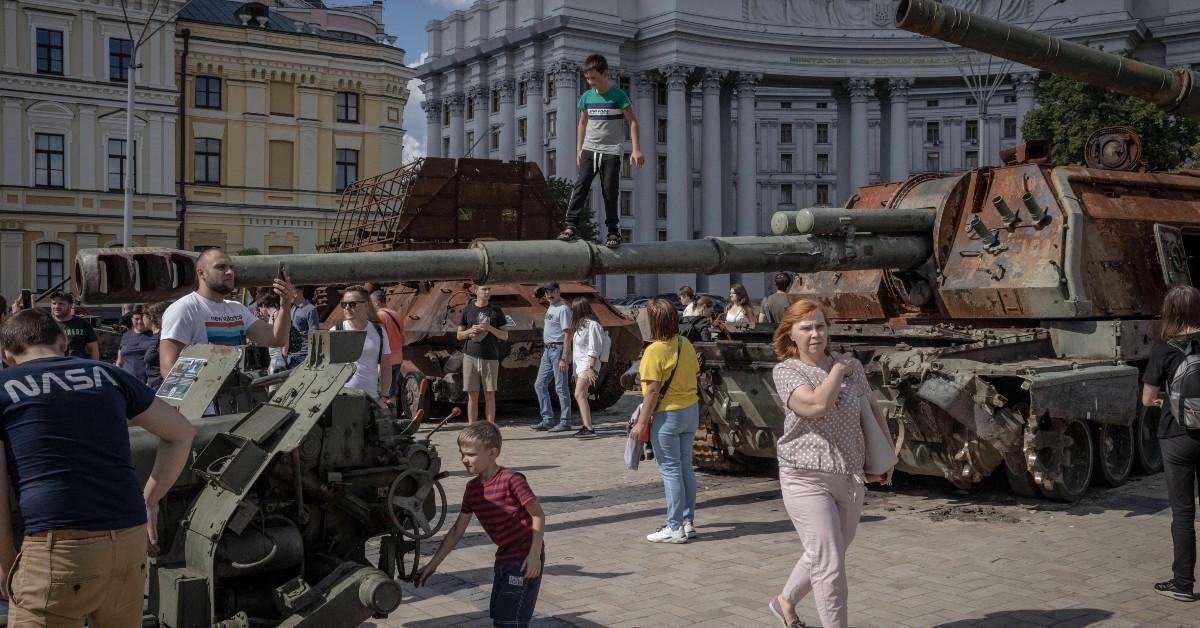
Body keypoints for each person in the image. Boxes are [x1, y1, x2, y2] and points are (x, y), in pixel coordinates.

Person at [0, 308, 196, 626]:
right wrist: (150, 500)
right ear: (63, 341)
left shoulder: (5, 386)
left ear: (6, 355)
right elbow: (182, 433)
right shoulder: (109, 374)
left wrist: (6, 564)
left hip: (58, 546)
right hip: (128, 538)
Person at [768, 299, 894, 628]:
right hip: (805, 477)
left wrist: (888, 451)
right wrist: (838, 369)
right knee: (830, 565)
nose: (815, 333)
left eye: (820, 326)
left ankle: (785, 602)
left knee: (829, 553)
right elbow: (816, 405)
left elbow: (872, 405)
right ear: (791, 334)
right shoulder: (787, 370)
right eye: (806, 327)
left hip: (849, 475)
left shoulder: (853, 369)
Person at [414, 422, 545, 628]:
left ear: (492, 453)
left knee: (511, 622)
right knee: (501, 617)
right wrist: (433, 565)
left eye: (471, 454)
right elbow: (457, 531)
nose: (464, 460)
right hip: (504, 558)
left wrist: (535, 554)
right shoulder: (472, 488)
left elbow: (537, 515)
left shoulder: (512, 480)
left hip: (524, 558)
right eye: (462, 454)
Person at [1141, 285, 1200, 603]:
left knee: (1183, 513)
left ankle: (1183, 584)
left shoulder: (1164, 350)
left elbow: (1148, 398)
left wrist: (1167, 399)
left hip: (1176, 436)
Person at [158, 248, 293, 378]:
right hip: (205, 400)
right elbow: (169, 370)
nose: (229, 272)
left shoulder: (237, 309)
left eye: (231, 267)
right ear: (201, 273)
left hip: (236, 398)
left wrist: (285, 306)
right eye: (221, 267)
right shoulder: (184, 309)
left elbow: (276, 339)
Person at [630, 298, 701, 544]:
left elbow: (651, 391)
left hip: (668, 416)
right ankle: (687, 521)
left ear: (653, 322)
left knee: (670, 471)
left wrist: (641, 423)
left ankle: (674, 527)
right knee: (684, 468)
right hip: (690, 412)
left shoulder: (653, 351)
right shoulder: (686, 344)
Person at [556, 53, 644, 248]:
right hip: (589, 149)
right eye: (587, 79)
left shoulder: (618, 95)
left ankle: (613, 232)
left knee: (609, 191)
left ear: (605, 74)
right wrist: (579, 149)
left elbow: (633, 122)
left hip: (611, 151)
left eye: (594, 78)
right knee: (581, 187)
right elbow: (582, 123)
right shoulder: (586, 97)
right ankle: (570, 226)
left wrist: (636, 149)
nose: (590, 82)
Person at [457, 284, 508, 424]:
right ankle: (472, 427)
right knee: (472, 394)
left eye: (489, 289)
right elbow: (459, 335)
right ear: (476, 291)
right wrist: (470, 331)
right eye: (484, 289)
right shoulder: (468, 309)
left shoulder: (495, 310)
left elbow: (505, 336)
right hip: (470, 356)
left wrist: (490, 328)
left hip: (490, 357)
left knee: (490, 394)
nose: (487, 292)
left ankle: (490, 426)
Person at [335, 286, 391, 406]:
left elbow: (386, 366)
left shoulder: (379, 332)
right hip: (342, 401)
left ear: (366, 305)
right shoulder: (335, 332)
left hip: (371, 401)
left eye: (352, 304)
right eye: (344, 304)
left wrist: (385, 396)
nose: (347, 308)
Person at [532, 282, 573, 432]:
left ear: (558, 291)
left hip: (558, 349)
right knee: (539, 384)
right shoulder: (551, 306)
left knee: (561, 387)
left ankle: (565, 421)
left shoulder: (563, 309)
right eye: (547, 292)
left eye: (552, 291)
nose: (549, 294)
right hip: (548, 351)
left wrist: (564, 357)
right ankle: (547, 419)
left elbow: (568, 333)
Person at [566, 297, 604, 439]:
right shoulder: (581, 326)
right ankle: (587, 426)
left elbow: (594, 348)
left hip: (588, 366)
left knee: (579, 394)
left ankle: (589, 428)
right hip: (581, 366)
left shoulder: (593, 325)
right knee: (581, 395)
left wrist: (591, 368)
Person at [371, 290, 408, 416]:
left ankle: (384, 420)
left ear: (376, 302)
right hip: (398, 358)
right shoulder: (397, 315)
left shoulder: (378, 317)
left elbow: (376, 339)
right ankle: (394, 418)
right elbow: (403, 338)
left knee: (381, 392)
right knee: (392, 392)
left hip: (384, 360)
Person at [48, 291, 98, 360]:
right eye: (54, 303)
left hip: (78, 365)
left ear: (70, 305)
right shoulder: (47, 324)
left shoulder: (82, 323)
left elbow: (93, 349)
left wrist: (94, 365)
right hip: (56, 366)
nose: (56, 306)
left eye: (61, 304)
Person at [115, 305, 155, 385]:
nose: (140, 322)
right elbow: (119, 362)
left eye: (142, 318)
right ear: (131, 320)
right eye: (136, 319)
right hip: (126, 382)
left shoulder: (154, 335)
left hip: (147, 384)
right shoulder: (126, 336)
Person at [287, 285, 320, 369]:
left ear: (295, 293)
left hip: (303, 356)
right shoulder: (293, 308)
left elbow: (315, 333)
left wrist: (310, 355)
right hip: (292, 355)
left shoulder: (310, 309)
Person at [257, 294, 288, 374]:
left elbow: (285, 335)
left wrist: (284, 357)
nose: (260, 311)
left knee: (274, 386)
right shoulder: (272, 316)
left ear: (263, 305)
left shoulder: (276, 314)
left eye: (259, 308)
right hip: (274, 358)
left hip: (278, 358)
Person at [143, 301, 168, 390]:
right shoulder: (154, 336)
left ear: (150, 317)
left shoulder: (162, 337)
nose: (142, 319)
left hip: (160, 389)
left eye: (143, 315)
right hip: (152, 387)